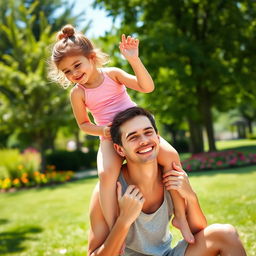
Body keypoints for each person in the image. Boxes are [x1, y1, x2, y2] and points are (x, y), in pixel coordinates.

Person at [49, 24, 193, 243]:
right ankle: (115, 227)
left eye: (77, 65)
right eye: (67, 71)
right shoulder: (78, 94)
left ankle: (181, 217)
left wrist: (134, 59)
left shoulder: (113, 75)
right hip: (109, 136)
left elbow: (146, 87)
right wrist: (102, 131)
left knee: (171, 157)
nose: (74, 73)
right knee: (106, 175)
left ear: (92, 57)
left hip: (136, 130)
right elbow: (84, 124)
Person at [88, 106, 247, 256]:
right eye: (133, 137)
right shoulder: (108, 191)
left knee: (225, 233)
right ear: (120, 149)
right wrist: (123, 220)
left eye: (148, 132)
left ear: (157, 137)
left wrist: (190, 196)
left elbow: (197, 232)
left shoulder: (170, 176)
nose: (144, 141)